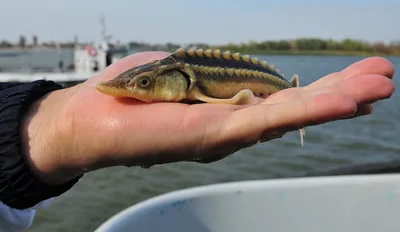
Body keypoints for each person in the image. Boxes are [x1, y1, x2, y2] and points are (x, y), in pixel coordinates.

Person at [0, 51, 395, 231]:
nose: (134, 90)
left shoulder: (202, 85)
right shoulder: (173, 77)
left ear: (183, 81)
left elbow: (239, 97)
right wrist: (65, 126)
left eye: (143, 85)